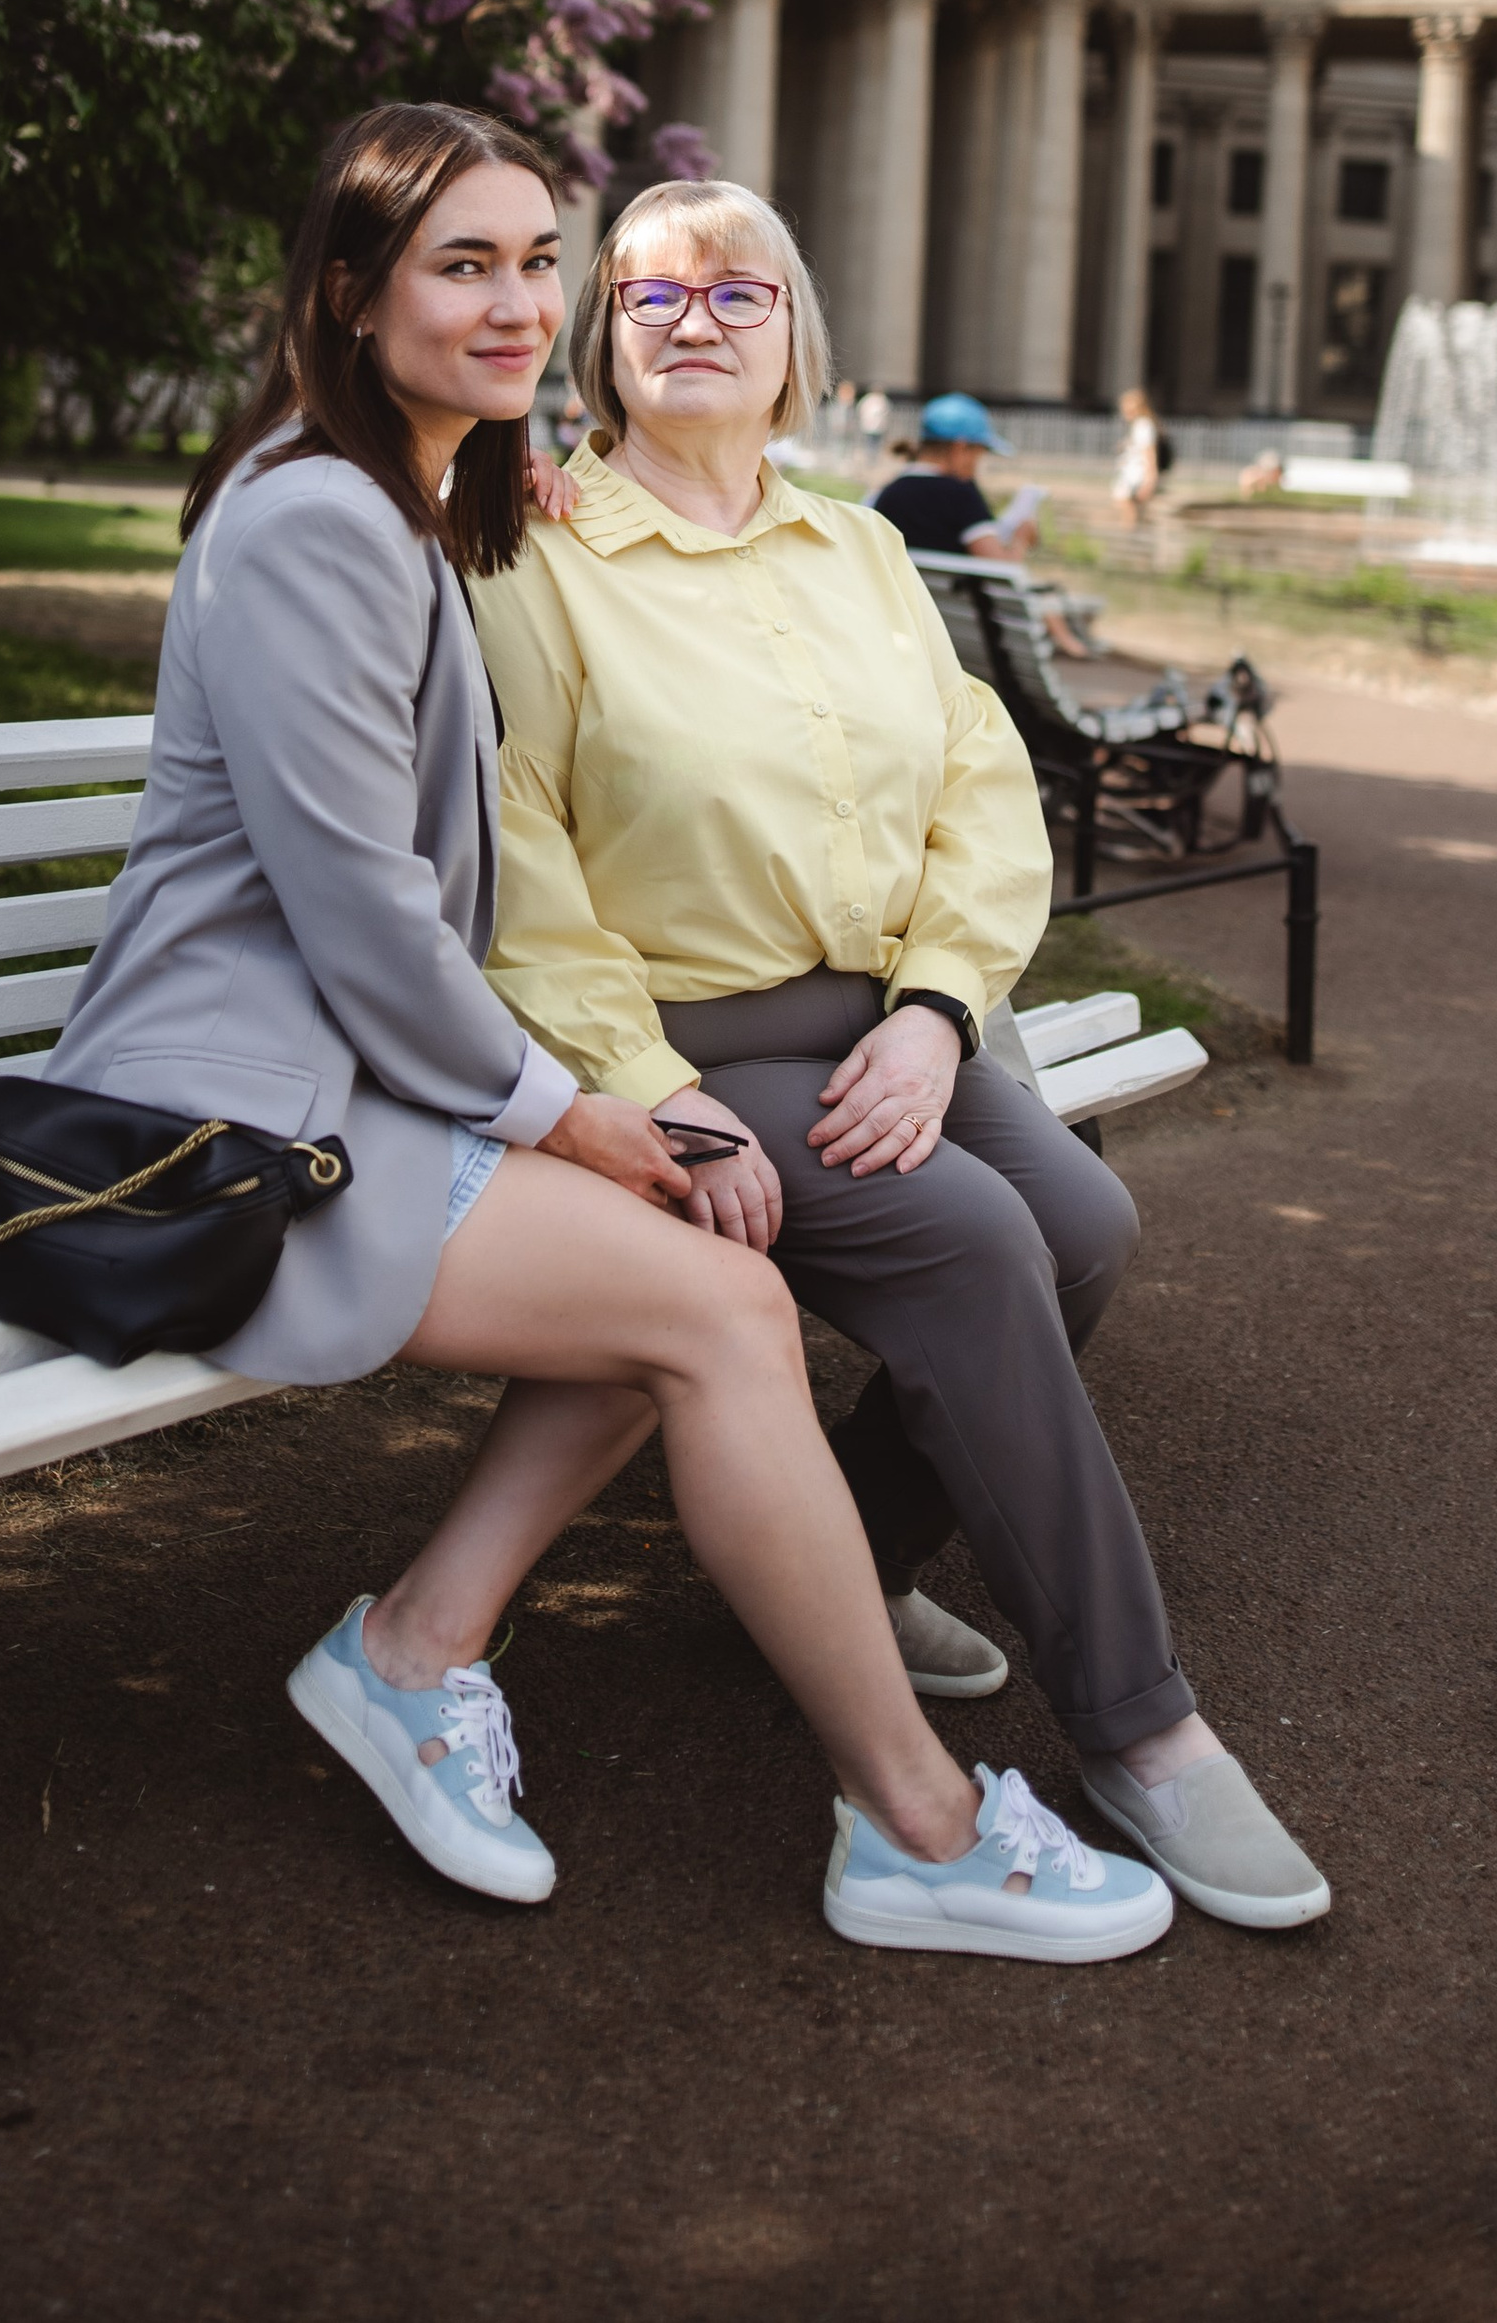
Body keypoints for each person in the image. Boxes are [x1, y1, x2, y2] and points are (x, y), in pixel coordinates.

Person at [46, 103, 1162, 1963]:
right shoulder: (317, 518)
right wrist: (583, 1110)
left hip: (362, 1074)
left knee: (699, 1244)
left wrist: (537, 477)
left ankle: (416, 1647)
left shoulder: (415, 500)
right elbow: (368, 920)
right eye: (460, 265)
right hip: (242, 1109)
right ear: (351, 292)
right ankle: (919, 1821)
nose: (513, 302)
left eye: (533, 262)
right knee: (717, 1294)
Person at [462, 177, 1330, 1933]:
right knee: (975, 1236)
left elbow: (981, 794)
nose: (695, 319)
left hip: (886, 1017)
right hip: (689, 1041)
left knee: (1086, 1225)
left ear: (797, 341)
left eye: (740, 292)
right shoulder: (536, 559)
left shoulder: (858, 550)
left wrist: (936, 1014)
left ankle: (841, 1559)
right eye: (652, 294)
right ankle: (1142, 1727)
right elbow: (518, 861)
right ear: (601, 344)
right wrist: (652, 1088)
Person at [869, 392, 1039, 560]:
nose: (976, 466)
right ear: (960, 448)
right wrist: (1021, 539)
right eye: (978, 455)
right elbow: (998, 565)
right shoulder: (961, 495)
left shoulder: (887, 492)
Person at [1111, 387, 1163, 530]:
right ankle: (1134, 532)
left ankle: (1130, 534)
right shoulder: (1139, 425)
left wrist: (1150, 478)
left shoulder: (1143, 425)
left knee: (1127, 506)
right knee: (1131, 507)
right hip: (1133, 473)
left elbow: (1149, 452)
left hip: (1137, 474)